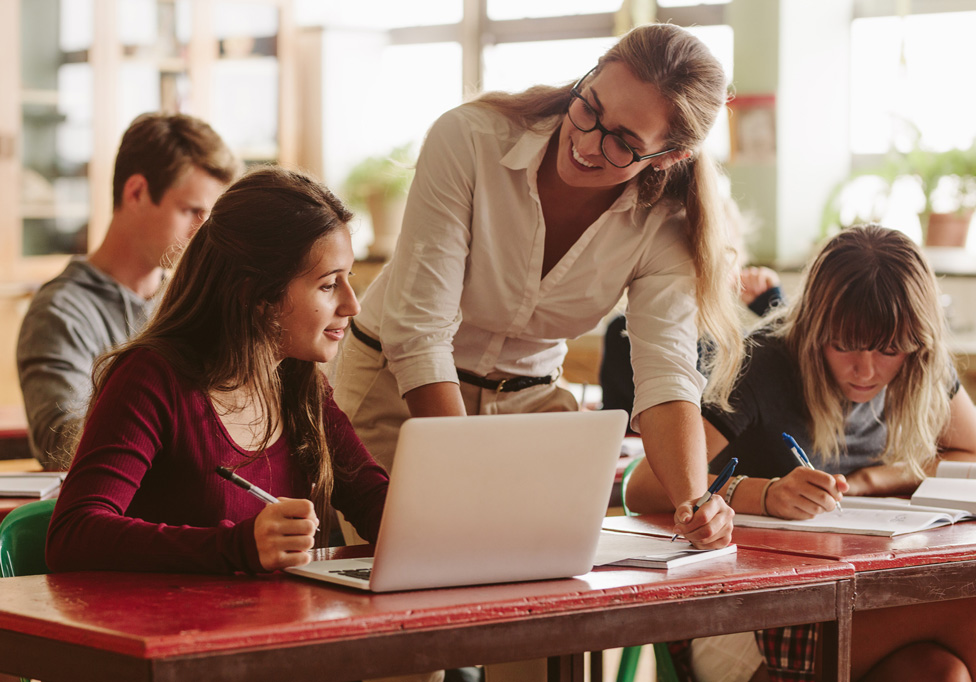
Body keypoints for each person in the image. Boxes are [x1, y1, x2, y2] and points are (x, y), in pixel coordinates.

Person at [336, 23, 743, 550]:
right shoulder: (470, 139)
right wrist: (457, 471)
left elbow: (666, 375)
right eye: (590, 107)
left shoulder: (668, 223)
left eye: (623, 142)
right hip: (398, 391)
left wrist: (695, 504)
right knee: (405, 568)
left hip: (526, 408)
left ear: (667, 158)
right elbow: (418, 333)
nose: (587, 144)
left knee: (539, 580)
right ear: (589, 75)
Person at [626, 224, 976, 682]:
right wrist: (763, 495)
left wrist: (871, 479)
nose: (865, 370)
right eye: (844, 345)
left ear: (917, 343)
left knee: (941, 672)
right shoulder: (762, 363)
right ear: (813, 330)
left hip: (852, 597)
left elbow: (972, 454)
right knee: (972, 612)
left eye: (888, 350)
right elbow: (642, 486)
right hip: (741, 617)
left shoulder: (919, 360)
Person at [46, 167, 389, 577]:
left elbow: (374, 501)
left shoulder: (300, 384)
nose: (353, 305)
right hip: (168, 617)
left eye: (348, 279)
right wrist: (236, 546)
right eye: (329, 285)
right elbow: (72, 536)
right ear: (255, 292)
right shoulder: (150, 378)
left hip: (271, 615)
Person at [17, 112, 240, 470]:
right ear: (136, 192)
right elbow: (62, 446)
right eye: (191, 211)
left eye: (209, 217)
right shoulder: (59, 312)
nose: (203, 232)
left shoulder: (194, 301)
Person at [601, 196, 783, 421]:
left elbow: (790, 388)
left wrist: (774, 308)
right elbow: (617, 420)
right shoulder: (623, 334)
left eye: (719, 253)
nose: (698, 265)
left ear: (737, 263)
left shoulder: (739, 345)